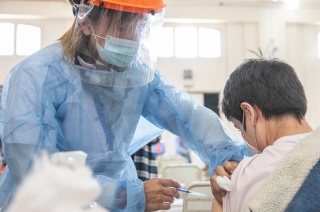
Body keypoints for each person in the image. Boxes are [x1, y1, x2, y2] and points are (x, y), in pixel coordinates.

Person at [0, 0, 247, 211]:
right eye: (121, 26)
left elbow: (187, 115)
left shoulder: (135, 74)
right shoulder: (37, 76)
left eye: (139, 27)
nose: (133, 38)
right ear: (86, 22)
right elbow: (36, 171)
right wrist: (127, 195)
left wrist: (229, 158)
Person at [211, 53, 320, 211]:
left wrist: (219, 200)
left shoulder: (243, 177)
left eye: (239, 127)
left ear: (249, 113)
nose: (243, 136)